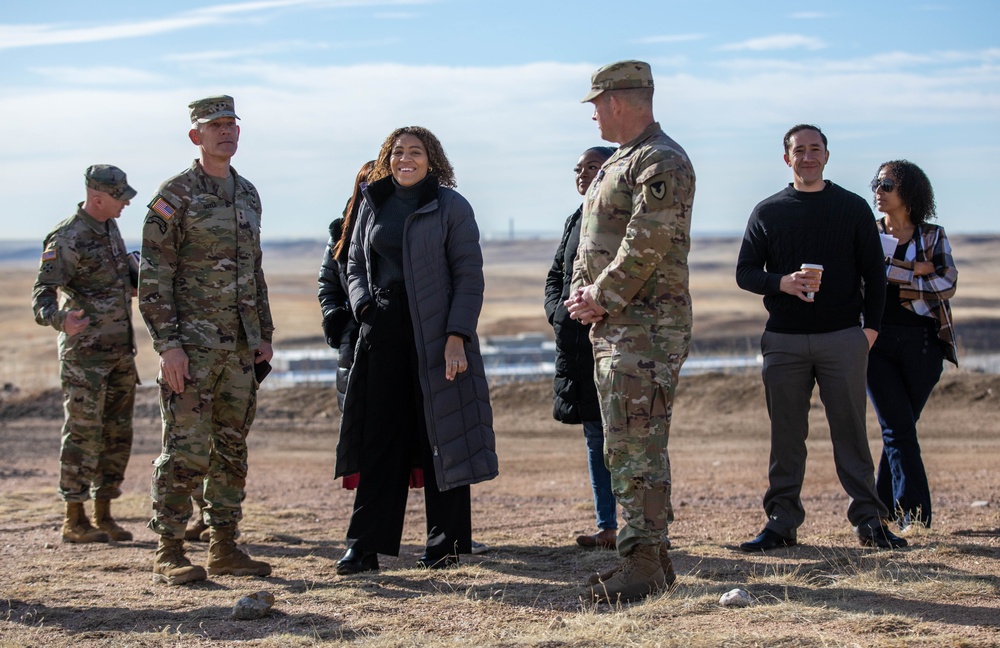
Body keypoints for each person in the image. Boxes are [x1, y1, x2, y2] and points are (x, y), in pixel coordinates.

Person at [735, 124, 906, 552]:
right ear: (786, 158)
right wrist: (782, 282)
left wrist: (869, 330)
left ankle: (869, 521)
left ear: (826, 156)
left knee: (851, 432)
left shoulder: (851, 208)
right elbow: (745, 272)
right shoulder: (768, 211)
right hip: (784, 340)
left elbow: (875, 276)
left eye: (815, 149)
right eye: (799, 150)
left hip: (843, 338)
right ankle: (781, 522)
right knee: (786, 437)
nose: (807, 156)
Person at [335, 126, 498, 575]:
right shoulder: (374, 202)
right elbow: (353, 263)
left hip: (437, 333)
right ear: (387, 157)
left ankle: (444, 544)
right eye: (399, 151)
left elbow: (469, 275)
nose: (407, 159)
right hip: (382, 331)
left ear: (433, 159)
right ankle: (364, 547)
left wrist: (457, 336)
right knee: (380, 440)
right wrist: (364, 304)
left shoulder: (451, 206)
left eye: (417, 152)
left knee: (440, 437)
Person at [567, 60, 695, 603]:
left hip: (646, 330)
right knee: (627, 445)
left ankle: (641, 563)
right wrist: (581, 291)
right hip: (618, 329)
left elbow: (647, 241)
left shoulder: (660, 160)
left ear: (618, 101)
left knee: (636, 446)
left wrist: (601, 296)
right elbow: (591, 239)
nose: (593, 113)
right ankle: (654, 561)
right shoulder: (619, 161)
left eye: (596, 103)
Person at [139, 95, 274, 585]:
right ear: (196, 136)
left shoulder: (249, 194)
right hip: (191, 351)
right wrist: (167, 346)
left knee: (232, 448)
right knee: (185, 449)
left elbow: (253, 271)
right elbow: (153, 276)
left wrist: (265, 336)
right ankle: (170, 549)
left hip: (240, 350)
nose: (226, 132)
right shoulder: (175, 194)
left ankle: (224, 546)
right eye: (215, 126)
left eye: (231, 124)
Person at [32, 165, 139, 544]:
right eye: (119, 197)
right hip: (85, 359)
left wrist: (134, 277)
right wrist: (61, 319)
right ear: (97, 197)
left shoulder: (110, 227)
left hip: (120, 353)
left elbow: (116, 281)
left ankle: (104, 513)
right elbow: (42, 295)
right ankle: (74, 519)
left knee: (116, 436)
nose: (125, 204)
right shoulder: (67, 237)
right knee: (82, 436)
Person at [868, 160, 958, 531]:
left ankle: (881, 506)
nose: (878, 190)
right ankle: (915, 513)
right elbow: (860, 280)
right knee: (896, 428)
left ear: (909, 192)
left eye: (887, 184)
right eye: (876, 182)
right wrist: (917, 271)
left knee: (901, 427)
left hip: (924, 344)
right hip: (875, 341)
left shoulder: (933, 236)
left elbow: (948, 283)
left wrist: (893, 274)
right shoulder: (867, 233)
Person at [544, 145, 618, 550]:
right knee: (595, 435)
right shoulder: (575, 218)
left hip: (617, 342)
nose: (582, 173)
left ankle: (649, 531)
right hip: (578, 344)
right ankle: (607, 526)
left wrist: (601, 308)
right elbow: (556, 274)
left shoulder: (623, 215)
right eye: (578, 167)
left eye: (592, 166)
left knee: (633, 436)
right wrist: (560, 313)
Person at [319, 160, 375, 411]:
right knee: (354, 432)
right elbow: (328, 286)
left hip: (396, 342)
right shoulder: (341, 234)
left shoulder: (400, 231)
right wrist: (338, 322)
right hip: (352, 346)